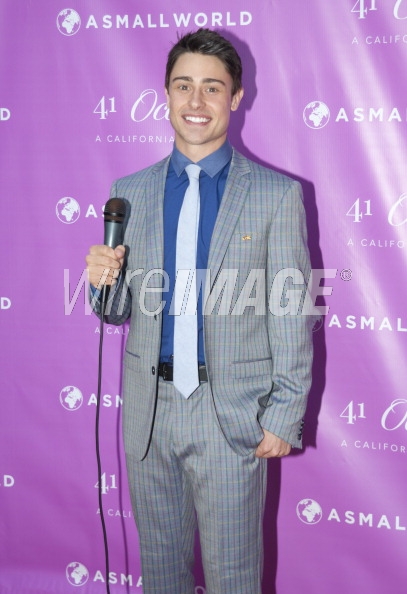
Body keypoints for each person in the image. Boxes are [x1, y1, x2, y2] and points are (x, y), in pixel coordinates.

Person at [86, 28, 315, 594]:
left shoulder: (274, 195)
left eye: (212, 88)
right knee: (160, 575)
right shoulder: (129, 192)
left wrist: (285, 411)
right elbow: (116, 313)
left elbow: (291, 311)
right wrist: (100, 282)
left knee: (234, 578)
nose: (195, 102)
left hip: (229, 416)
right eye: (183, 86)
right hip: (149, 415)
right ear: (165, 94)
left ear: (235, 98)